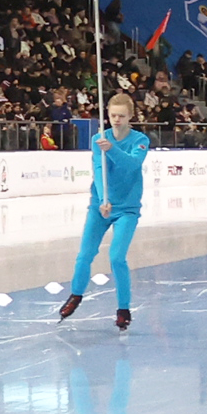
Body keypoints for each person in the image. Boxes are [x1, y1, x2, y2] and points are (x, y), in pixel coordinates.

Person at [58, 87, 149, 331]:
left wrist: (113, 149)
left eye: (121, 115)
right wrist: (102, 199)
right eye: (112, 115)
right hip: (101, 205)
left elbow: (131, 166)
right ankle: (76, 294)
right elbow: (98, 168)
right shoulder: (99, 139)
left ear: (130, 116)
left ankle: (123, 308)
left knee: (117, 257)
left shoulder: (140, 140)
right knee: (85, 254)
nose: (116, 120)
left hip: (127, 208)